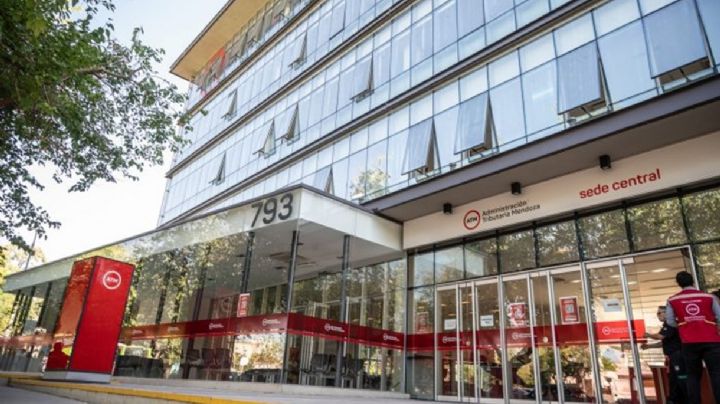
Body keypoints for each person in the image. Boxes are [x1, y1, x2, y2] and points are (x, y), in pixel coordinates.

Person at [666, 271, 720, 404]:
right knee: (716, 374)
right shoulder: (708, 297)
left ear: (678, 283)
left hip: (689, 342)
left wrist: (683, 325)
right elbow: (719, 316)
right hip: (712, 340)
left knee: (693, 376)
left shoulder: (672, 300)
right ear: (693, 281)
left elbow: (670, 321)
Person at [641, 305, 686, 403]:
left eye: (659, 313)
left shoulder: (670, 324)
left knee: (681, 378)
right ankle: (674, 400)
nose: (658, 315)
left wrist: (648, 335)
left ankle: (686, 399)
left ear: (667, 313)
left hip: (677, 355)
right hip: (672, 356)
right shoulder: (668, 324)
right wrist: (649, 346)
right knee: (673, 380)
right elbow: (664, 342)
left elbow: (660, 336)